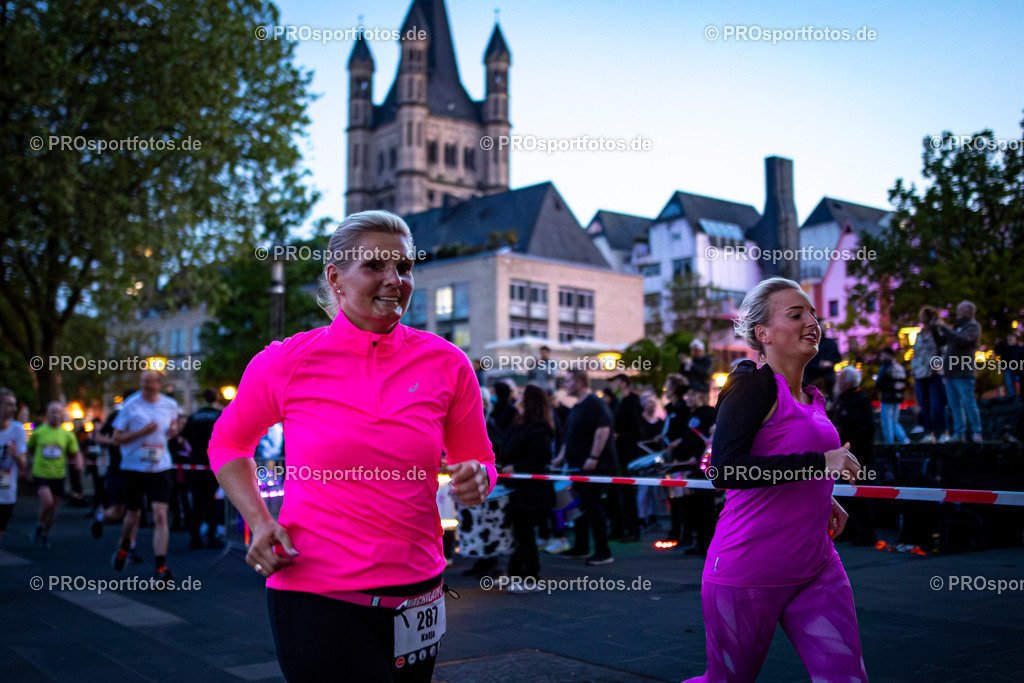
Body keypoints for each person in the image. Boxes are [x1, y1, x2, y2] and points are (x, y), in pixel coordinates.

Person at [208, 210, 494, 682]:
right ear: (336, 279)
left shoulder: (448, 363)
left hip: (419, 593)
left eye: (403, 267)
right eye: (375, 266)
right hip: (318, 595)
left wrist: (480, 477)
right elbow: (228, 443)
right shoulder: (286, 362)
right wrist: (259, 520)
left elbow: (479, 459)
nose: (393, 279)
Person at [687, 276, 867, 682]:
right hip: (747, 571)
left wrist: (822, 496)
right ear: (762, 333)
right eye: (796, 314)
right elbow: (726, 470)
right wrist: (819, 465)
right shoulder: (753, 386)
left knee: (846, 678)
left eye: (814, 314)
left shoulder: (813, 397)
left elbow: (787, 461)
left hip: (817, 567)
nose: (813, 322)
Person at [111, 370, 179, 584]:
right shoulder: (131, 405)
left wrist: (173, 431)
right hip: (134, 467)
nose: (146, 388)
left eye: (150, 384)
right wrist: (141, 432)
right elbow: (116, 438)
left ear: (159, 384)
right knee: (133, 517)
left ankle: (161, 567)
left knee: (160, 514)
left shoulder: (169, 405)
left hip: (160, 467)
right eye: (143, 384)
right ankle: (124, 546)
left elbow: (172, 427)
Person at [551, 369, 617, 566]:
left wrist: (593, 457)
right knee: (580, 508)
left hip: (593, 467)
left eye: (569, 380)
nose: (566, 384)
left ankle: (603, 551)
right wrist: (561, 458)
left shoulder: (594, 403)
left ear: (580, 381)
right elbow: (569, 436)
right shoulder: (577, 406)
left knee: (593, 507)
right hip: (577, 467)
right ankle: (581, 547)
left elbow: (603, 429)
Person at [500, 385, 556, 591]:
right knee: (520, 533)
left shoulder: (537, 427)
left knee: (524, 534)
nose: (517, 396)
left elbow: (542, 457)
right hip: (518, 488)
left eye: (522, 394)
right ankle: (517, 573)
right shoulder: (519, 424)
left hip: (531, 491)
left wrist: (515, 467)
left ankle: (531, 576)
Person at [27, 401, 82, 549]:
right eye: (52, 412)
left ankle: (44, 534)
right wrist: (27, 465)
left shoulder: (67, 435)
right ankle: (39, 525)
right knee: (47, 502)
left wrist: (79, 463)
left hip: (58, 475)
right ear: (47, 414)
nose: (55, 415)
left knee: (53, 509)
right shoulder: (38, 432)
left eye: (58, 412)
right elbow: (29, 449)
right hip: (41, 473)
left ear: (62, 415)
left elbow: (76, 452)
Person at [832, 366, 877, 545]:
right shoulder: (846, 400)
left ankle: (867, 534)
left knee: (860, 496)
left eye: (842, 379)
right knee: (848, 496)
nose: (838, 382)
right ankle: (849, 531)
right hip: (847, 457)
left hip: (859, 457)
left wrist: (842, 432)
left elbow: (864, 429)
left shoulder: (857, 400)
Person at [182, 388, 224, 549]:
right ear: (216, 398)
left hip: (196, 463)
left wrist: (191, 449)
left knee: (197, 502)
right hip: (214, 463)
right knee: (213, 501)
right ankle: (212, 537)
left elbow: (182, 438)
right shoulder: (220, 415)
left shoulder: (193, 417)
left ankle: (195, 538)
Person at [937, 300, 983, 443]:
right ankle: (959, 433)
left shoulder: (973, 327)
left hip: (963, 371)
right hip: (950, 372)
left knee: (969, 403)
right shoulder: (957, 327)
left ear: (968, 312)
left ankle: (977, 432)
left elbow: (963, 340)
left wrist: (944, 327)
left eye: (960, 309)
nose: (957, 312)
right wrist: (936, 327)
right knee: (954, 405)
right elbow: (942, 341)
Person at [678, 383, 716, 556]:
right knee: (695, 506)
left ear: (700, 396)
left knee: (705, 507)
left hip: (703, 468)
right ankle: (699, 542)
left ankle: (708, 545)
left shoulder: (709, 414)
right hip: (691, 466)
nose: (688, 398)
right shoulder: (692, 414)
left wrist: (698, 456)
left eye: (692, 395)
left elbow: (709, 439)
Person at [607, 373, 642, 542]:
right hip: (618, 454)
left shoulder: (632, 402)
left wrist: (619, 436)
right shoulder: (618, 403)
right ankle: (621, 528)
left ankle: (633, 529)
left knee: (628, 492)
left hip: (626, 454)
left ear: (622, 383)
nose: (612, 386)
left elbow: (637, 431)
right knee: (619, 491)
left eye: (614, 382)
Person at [911, 306, 949, 443]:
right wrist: (913, 370)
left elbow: (943, 351)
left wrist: (936, 367)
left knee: (937, 404)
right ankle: (929, 433)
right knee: (924, 404)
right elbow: (915, 354)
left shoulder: (938, 333)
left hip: (934, 373)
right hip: (920, 374)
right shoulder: (919, 334)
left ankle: (944, 432)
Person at [660, 373, 691, 546]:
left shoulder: (683, 408)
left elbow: (687, 432)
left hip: (680, 458)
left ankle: (684, 533)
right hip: (670, 457)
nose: (665, 388)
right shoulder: (670, 408)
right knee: (672, 496)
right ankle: (675, 531)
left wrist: (676, 442)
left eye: (668, 385)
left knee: (681, 497)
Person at [0, 388, 29, 546]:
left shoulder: (17, 429)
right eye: (9, 405)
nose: (14, 409)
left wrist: (15, 454)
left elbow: (23, 465)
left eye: (15, 405)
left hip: (6, 490)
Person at [636, 394, 665, 530]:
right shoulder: (638, 421)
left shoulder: (660, 422)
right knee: (644, 491)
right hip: (642, 461)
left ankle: (653, 517)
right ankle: (642, 518)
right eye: (649, 403)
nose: (652, 406)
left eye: (654, 403)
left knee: (655, 491)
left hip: (656, 461)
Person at [877, 347, 910, 445]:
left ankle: (889, 443)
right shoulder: (900, 367)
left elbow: (879, 382)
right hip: (898, 397)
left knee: (887, 422)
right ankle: (904, 440)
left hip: (888, 397)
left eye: (883, 355)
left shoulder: (886, 367)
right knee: (895, 421)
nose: (881, 357)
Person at [804, 322, 842, 399]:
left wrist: (830, 363)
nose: (825, 328)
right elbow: (805, 361)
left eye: (826, 326)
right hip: (812, 379)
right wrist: (818, 365)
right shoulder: (809, 343)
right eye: (823, 326)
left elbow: (838, 357)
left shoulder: (831, 343)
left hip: (828, 380)